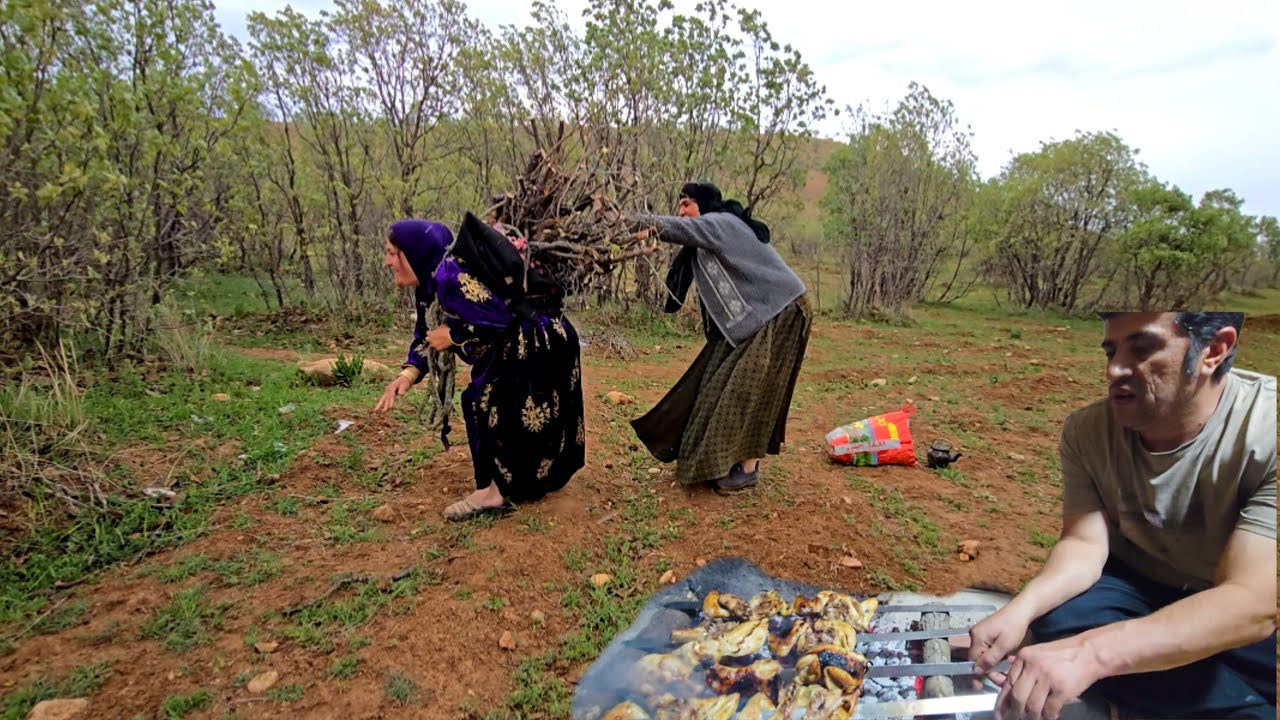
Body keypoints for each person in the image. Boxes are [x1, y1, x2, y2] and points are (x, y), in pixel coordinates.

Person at [968, 312, 1276, 720]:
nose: (1114, 369)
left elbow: (1253, 601)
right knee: (1059, 617)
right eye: (1111, 351)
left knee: (1232, 644)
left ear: (1213, 351)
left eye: (1142, 348)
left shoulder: (1265, 431)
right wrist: (1022, 610)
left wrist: (1092, 654)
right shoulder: (1087, 431)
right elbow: (1083, 543)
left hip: (1225, 601)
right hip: (1132, 586)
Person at [374, 216, 585, 521]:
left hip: (536, 339)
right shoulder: (430, 281)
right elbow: (426, 332)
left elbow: (500, 320)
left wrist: (454, 336)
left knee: (485, 402)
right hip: (538, 337)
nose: (387, 261)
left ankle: (493, 493)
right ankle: (519, 483)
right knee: (498, 402)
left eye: (392, 253)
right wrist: (408, 375)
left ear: (413, 253)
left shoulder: (448, 276)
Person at [628, 181, 811, 495]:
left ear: (704, 205)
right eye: (679, 205)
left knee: (751, 390)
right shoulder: (709, 238)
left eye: (686, 204)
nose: (681, 212)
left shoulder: (720, 224)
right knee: (716, 383)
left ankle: (748, 469)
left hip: (783, 311)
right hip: (758, 315)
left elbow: (672, 229)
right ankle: (722, 461)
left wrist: (624, 219)